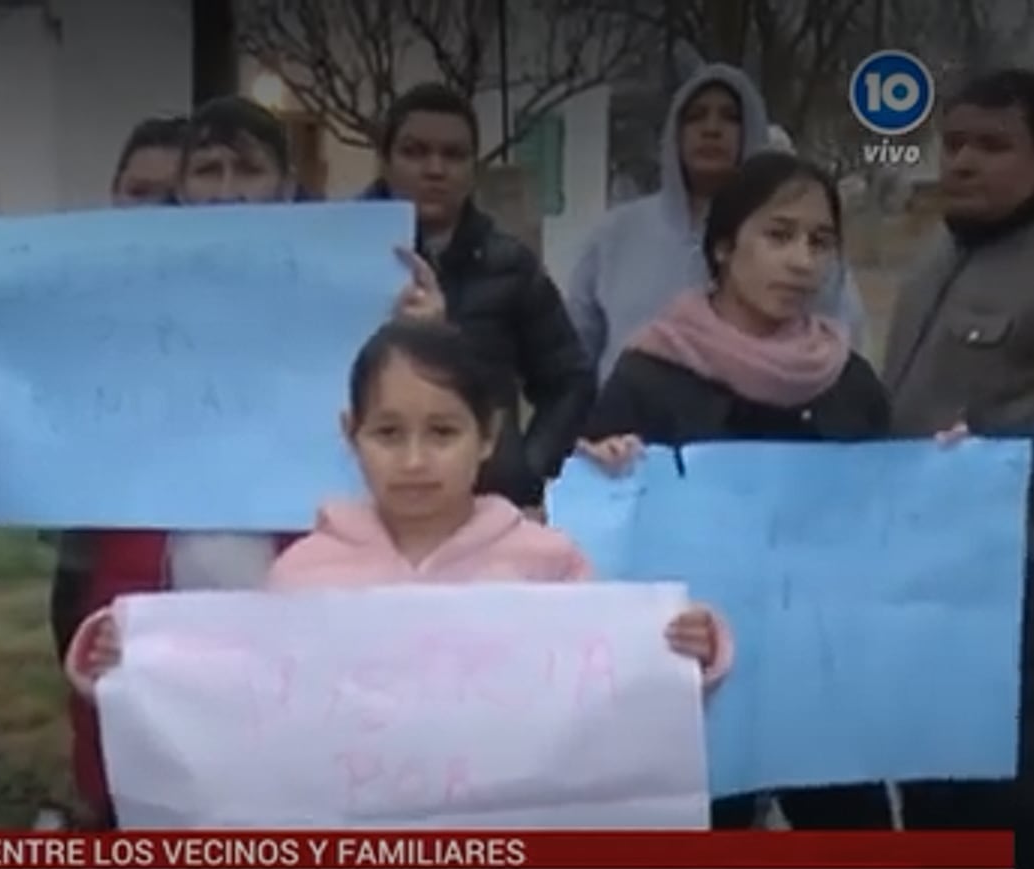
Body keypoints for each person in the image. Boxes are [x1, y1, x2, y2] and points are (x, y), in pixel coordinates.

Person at [0, 96, 445, 828]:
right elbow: (40, 409)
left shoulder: (359, 291)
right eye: (209, 168)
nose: (227, 188)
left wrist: (427, 345)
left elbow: (428, 439)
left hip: (302, 605)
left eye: (248, 168)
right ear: (181, 188)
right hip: (150, 609)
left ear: (287, 185)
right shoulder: (118, 299)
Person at [63, 322, 732, 818]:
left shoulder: (546, 562)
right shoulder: (301, 572)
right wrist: (130, 665)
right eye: (388, 433)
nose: (414, 460)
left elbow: (611, 703)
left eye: (442, 433)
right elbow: (230, 706)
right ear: (349, 433)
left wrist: (684, 658)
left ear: (488, 435)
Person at [576, 151, 894, 829]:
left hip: (821, 683)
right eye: (777, 236)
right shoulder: (650, 372)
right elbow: (598, 530)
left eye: (819, 241)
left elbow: (885, 521)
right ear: (723, 248)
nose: (802, 260)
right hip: (691, 684)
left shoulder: (848, 379)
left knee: (855, 862)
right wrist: (601, 465)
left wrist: (939, 469)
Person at [882, 68, 1034, 833]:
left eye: (993, 144)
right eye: (953, 143)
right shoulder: (932, 257)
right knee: (929, 789)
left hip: (1009, 594)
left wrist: (991, 449)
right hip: (921, 579)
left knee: (1000, 806)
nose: (964, 162)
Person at [362, 82, 594, 514]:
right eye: (415, 152)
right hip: (356, 498)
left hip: (483, 506)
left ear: (473, 167)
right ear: (386, 161)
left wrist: (527, 469)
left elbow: (569, 380)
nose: (435, 168)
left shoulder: (510, 264)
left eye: (453, 155)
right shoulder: (337, 253)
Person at [566, 63, 867, 381]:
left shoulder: (801, 243)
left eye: (730, 117)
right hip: (632, 423)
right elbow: (574, 358)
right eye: (696, 116)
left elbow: (844, 346)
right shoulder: (616, 236)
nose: (711, 129)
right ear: (674, 133)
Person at [48, 114, 190, 659]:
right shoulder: (73, 293)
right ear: (114, 194)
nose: (151, 211)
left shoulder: (238, 307)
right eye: (139, 192)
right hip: (89, 552)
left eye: (170, 197)